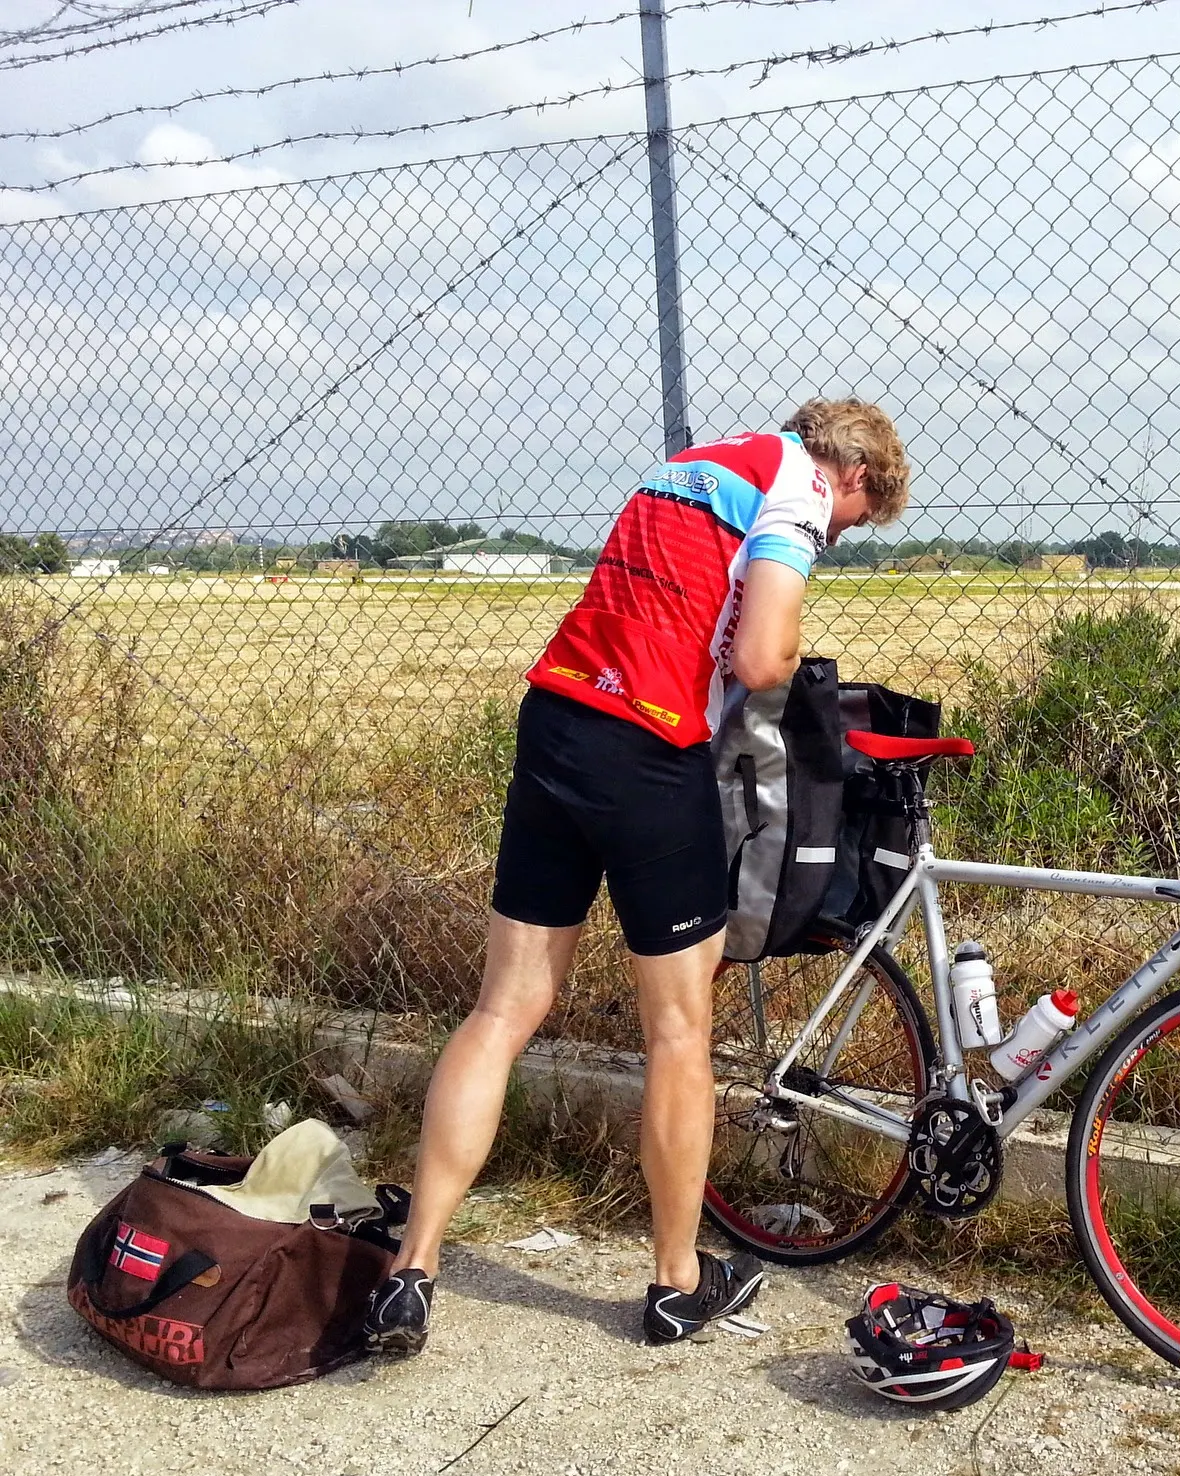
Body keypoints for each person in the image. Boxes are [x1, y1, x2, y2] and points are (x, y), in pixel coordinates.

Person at [364, 398, 911, 1350]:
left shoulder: (691, 467)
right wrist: (776, 686)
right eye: (853, 525)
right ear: (855, 477)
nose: (839, 531)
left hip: (558, 718)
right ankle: (674, 1283)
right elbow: (761, 651)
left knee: (504, 1009)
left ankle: (412, 1269)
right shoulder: (796, 492)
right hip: (650, 752)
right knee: (677, 1030)